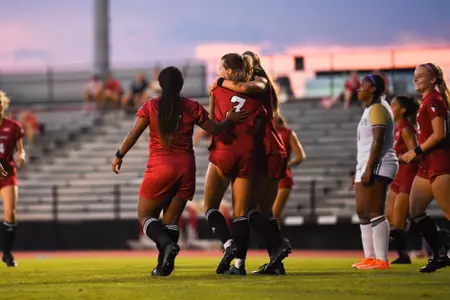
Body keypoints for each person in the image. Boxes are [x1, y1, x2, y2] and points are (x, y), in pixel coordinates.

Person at [111, 66, 247, 277]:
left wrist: (119, 155)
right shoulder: (191, 106)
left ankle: (166, 245)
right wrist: (229, 119)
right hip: (186, 168)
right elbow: (215, 130)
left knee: (145, 215)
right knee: (171, 220)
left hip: (159, 166)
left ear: (161, 84)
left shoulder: (150, 106)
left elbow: (134, 133)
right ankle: (164, 266)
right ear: (181, 84)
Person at [208, 51, 292, 275]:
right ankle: (277, 262)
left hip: (265, 151)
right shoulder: (258, 88)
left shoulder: (255, 85)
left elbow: (239, 95)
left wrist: (219, 82)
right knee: (264, 211)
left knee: (248, 211)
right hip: (271, 150)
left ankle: (275, 246)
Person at [400, 63, 450, 273]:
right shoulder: (426, 101)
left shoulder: (434, 101)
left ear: (432, 79)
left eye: (421, 76)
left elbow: (440, 134)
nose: (416, 79)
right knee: (416, 211)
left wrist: (416, 151)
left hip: (440, 163)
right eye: (414, 76)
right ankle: (439, 254)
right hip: (427, 165)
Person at [351, 74, 398, 270]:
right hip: (365, 163)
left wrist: (369, 168)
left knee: (374, 211)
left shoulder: (378, 107)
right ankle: (370, 257)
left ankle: (382, 259)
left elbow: (378, 141)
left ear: (373, 88)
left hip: (379, 163)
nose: (358, 89)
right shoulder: (370, 109)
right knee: (362, 212)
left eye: (363, 85)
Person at [386, 95, 419, 264]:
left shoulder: (406, 128)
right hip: (397, 177)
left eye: (393, 105)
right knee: (389, 218)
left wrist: (396, 158)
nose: (390, 108)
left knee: (398, 221)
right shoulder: (396, 127)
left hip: (407, 176)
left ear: (402, 110)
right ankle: (404, 254)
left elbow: (415, 152)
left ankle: (404, 255)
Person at [0, 90, 26, 267]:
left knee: (10, 212)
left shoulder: (13, 126)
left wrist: (21, 155)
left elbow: (20, 148)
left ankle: (7, 253)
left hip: (7, 173)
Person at [273, 115, 306, 222]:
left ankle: (274, 238)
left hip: (283, 178)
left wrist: (286, 165)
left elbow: (300, 156)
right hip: (268, 177)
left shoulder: (287, 133)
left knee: (274, 215)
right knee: (265, 216)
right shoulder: (265, 132)